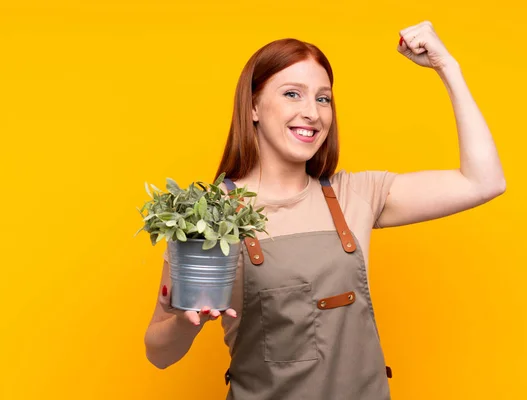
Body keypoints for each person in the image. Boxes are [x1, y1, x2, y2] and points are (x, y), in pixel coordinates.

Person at [144, 21, 506, 399]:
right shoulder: (210, 216)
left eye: (323, 98)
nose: (313, 113)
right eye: (292, 94)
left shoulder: (357, 194)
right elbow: (158, 353)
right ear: (252, 106)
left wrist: (448, 67)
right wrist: (186, 324)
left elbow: (484, 182)